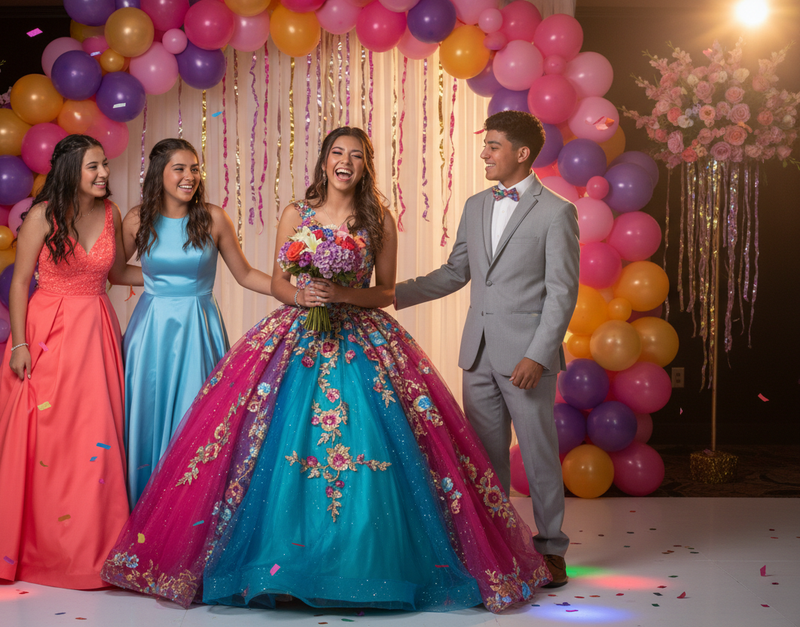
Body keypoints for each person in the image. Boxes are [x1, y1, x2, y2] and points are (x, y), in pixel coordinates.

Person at [101, 127, 550, 612]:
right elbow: (276, 281)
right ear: (324, 161)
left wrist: (342, 294)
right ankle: (280, 563)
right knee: (273, 444)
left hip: (360, 338)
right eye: (338, 153)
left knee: (372, 443)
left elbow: (385, 292)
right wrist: (302, 295)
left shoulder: (378, 219)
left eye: (356, 156)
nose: (346, 162)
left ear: (365, 166)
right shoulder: (297, 212)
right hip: (299, 334)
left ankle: (363, 561)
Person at [0, 134, 143, 590]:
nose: (103, 175)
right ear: (71, 168)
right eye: (93, 167)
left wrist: (169, 276)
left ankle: (89, 543)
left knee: (94, 435)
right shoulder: (42, 215)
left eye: (104, 167)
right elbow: (19, 284)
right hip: (48, 329)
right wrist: (19, 343)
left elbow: (115, 275)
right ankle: (35, 543)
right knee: (44, 435)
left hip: (95, 328)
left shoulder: (112, 215)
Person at [395, 110, 580, 588]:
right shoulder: (476, 204)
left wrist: (537, 355)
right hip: (476, 352)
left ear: (521, 153)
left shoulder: (557, 212)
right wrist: (391, 294)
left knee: (538, 456)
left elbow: (562, 293)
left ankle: (551, 549)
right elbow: (455, 273)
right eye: (485, 145)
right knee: (484, 457)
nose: (484, 153)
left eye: (493, 145)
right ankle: (498, 545)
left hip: (527, 360)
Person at [121, 138, 271, 508]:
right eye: (180, 168)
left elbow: (246, 274)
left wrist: (293, 291)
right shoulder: (137, 218)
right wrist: (160, 279)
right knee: (148, 416)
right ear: (159, 173)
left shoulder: (214, 217)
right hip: (151, 332)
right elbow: (114, 272)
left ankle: (190, 510)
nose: (190, 177)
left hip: (199, 329)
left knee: (198, 420)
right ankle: (143, 508)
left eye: (194, 168)